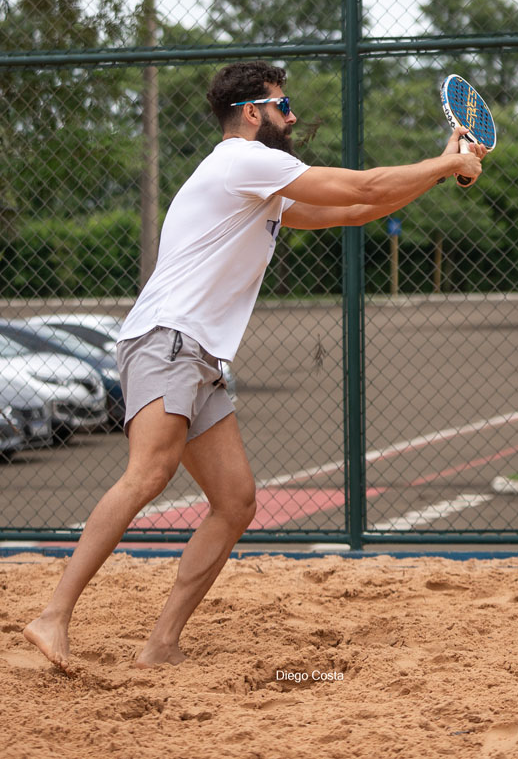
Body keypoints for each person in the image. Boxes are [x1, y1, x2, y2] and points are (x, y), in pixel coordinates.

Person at [23, 60, 485, 672]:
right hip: (167, 338)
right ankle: (52, 616)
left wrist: (441, 165)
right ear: (250, 113)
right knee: (148, 474)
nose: (292, 117)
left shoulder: (258, 183)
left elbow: (354, 209)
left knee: (236, 502)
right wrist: (447, 165)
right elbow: (367, 186)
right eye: (283, 105)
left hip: (199, 352)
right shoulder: (242, 161)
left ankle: (160, 646)